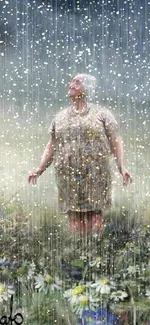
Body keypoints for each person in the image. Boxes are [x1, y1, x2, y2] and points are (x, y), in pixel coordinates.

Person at [27, 73, 132, 234]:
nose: (71, 85)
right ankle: (77, 254)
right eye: (72, 82)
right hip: (67, 175)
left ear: (87, 89)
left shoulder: (102, 115)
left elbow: (115, 140)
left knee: (95, 215)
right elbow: (52, 145)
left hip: (96, 175)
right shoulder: (60, 117)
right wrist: (39, 169)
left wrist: (121, 167)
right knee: (74, 217)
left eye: (77, 82)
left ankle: (94, 254)